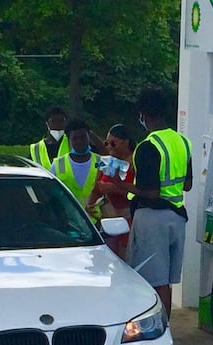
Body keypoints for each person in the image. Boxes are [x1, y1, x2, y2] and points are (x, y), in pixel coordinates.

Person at [113, 88, 192, 319]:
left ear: (143, 115)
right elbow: (187, 184)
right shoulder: (183, 142)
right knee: (166, 280)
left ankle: (159, 331)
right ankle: (165, 329)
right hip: (177, 217)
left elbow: (151, 192)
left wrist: (120, 184)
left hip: (152, 219)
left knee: (153, 282)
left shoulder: (147, 146)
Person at [86, 123, 136, 260]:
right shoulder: (105, 161)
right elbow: (96, 188)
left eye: (113, 143)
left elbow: (139, 192)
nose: (109, 147)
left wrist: (114, 188)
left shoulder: (134, 162)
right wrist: (90, 204)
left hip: (128, 219)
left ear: (125, 142)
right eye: (106, 143)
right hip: (108, 218)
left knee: (125, 258)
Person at [50, 118, 102, 222]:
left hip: (97, 222)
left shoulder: (101, 162)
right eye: (75, 138)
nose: (80, 141)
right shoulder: (58, 164)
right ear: (69, 140)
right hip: (69, 223)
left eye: (83, 137)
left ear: (89, 137)